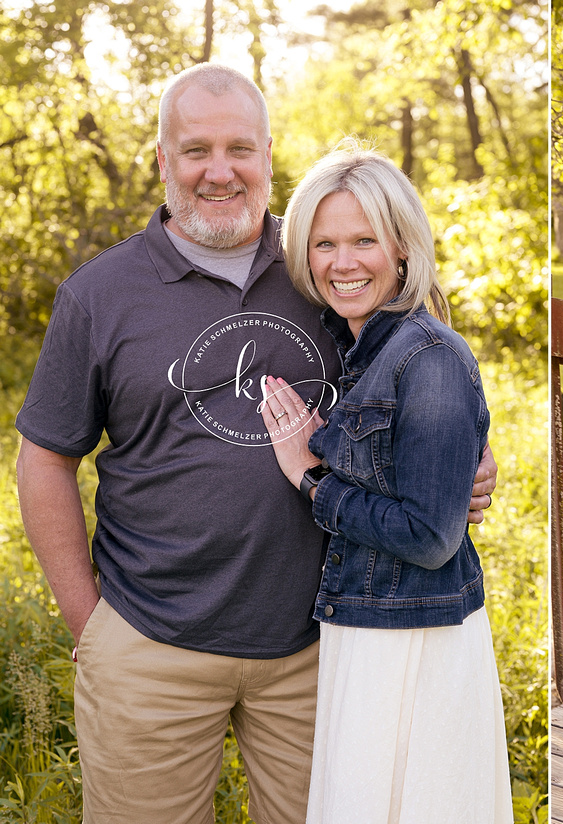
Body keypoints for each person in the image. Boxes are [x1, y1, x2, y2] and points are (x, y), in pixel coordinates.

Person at [14, 63, 494, 823]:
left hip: (322, 645)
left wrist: (469, 455)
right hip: (151, 644)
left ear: (270, 156)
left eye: (240, 148)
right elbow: (45, 458)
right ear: (163, 160)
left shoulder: (324, 264)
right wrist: (90, 623)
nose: (220, 170)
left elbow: (422, 374)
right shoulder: (100, 295)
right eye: (196, 149)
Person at [259, 140, 511, 822]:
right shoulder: (360, 348)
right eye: (324, 244)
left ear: (402, 245)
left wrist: (309, 477)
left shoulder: (425, 356)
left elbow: (430, 538)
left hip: (414, 641)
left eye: (364, 240)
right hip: (366, 630)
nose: (343, 263)